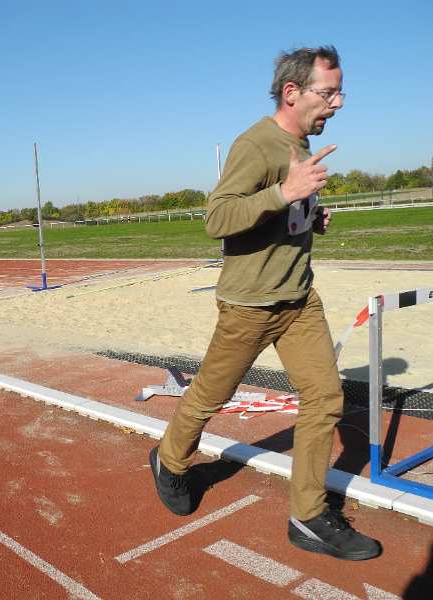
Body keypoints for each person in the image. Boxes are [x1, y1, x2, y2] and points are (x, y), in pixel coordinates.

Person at [150, 46, 381, 561]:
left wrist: (307, 218)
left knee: (325, 399)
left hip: (299, 299)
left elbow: (279, 214)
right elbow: (217, 219)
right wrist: (284, 193)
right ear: (292, 92)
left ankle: (308, 518)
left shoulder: (300, 143)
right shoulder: (256, 144)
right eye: (329, 93)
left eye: (340, 92)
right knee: (210, 396)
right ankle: (170, 459)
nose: (338, 103)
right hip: (250, 305)